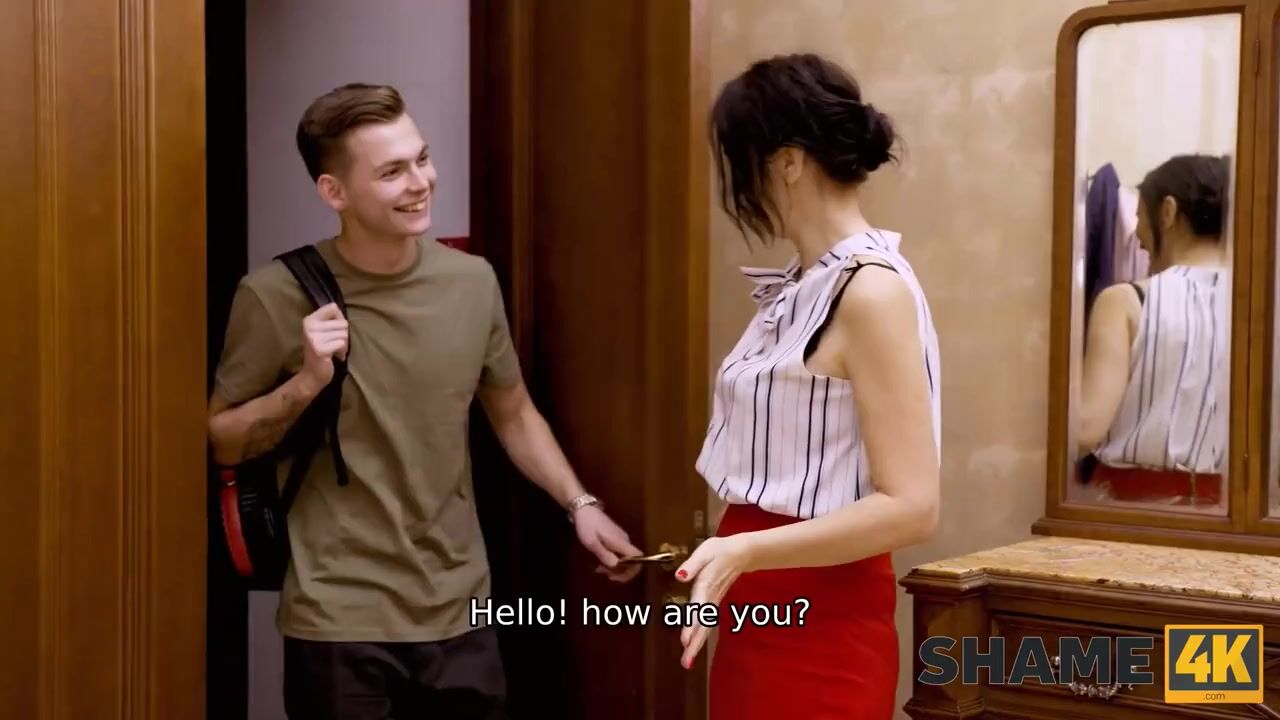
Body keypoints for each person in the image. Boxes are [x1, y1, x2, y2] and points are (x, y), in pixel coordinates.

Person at [207, 83, 642, 720]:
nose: (420, 183)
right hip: (339, 617)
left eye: (422, 159)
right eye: (391, 172)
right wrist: (305, 382)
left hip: (462, 609)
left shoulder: (471, 282)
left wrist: (581, 505)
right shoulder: (273, 295)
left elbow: (512, 411)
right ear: (334, 192)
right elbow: (222, 437)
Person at [672, 54, 942, 719]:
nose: (738, 190)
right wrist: (738, 557)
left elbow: (913, 506)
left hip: (822, 615)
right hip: (758, 605)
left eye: (741, 164)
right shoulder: (804, 283)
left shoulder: (870, 291)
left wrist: (745, 549)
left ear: (788, 162)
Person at [1077, 154, 1231, 507]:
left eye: (1139, 217)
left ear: (1168, 212)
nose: (1137, 236)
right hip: (1231, 516)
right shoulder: (1264, 311)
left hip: (1132, 508)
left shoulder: (1125, 301)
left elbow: (1085, 430)